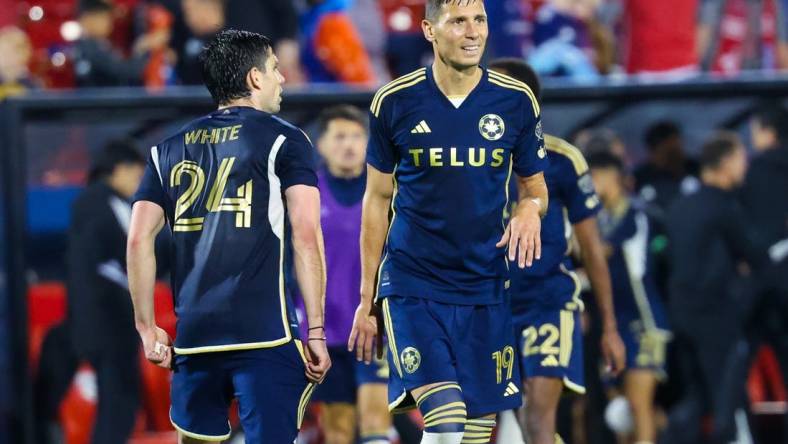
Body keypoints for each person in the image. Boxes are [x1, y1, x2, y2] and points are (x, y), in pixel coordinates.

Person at [348, 1, 550, 443]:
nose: (473, 31)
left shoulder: (515, 100)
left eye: (479, 20)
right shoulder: (394, 101)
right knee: (446, 418)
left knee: (477, 431)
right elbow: (376, 200)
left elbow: (535, 188)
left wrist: (529, 210)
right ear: (429, 30)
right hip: (413, 285)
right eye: (458, 21)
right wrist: (368, 301)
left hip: (485, 285)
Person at [127, 29, 331, 443]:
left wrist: (147, 327)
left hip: (196, 337)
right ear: (255, 78)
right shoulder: (285, 140)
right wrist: (315, 331)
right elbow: (306, 234)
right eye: (275, 69)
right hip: (266, 334)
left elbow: (137, 240)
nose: (283, 79)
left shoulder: (167, 149)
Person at [488, 58, 625, 444]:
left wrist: (609, 327)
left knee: (537, 417)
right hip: (494, 304)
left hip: (549, 301)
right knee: (516, 418)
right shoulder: (472, 161)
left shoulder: (563, 160)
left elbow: (593, 250)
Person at [33, 140, 146, 444]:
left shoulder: (92, 203)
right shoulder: (104, 203)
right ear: (119, 170)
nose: (139, 184)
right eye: (137, 175)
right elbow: (124, 256)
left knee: (117, 404)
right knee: (119, 404)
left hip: (89, 322)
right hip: (105, 325)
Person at [662, 133, 769, 444]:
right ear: (725, 163)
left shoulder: (680, 206)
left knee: (697, 395)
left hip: (680, 313)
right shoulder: (724, 206)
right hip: (716, 316)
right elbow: (755, 256)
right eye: (740, 160)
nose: (744, 168)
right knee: (726, 399)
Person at [307, 105, 391, 444]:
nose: (349, 145)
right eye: (339, 137)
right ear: (322, 145)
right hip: (324, 329)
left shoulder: (388, 191)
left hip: (376, 325)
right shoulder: (305, 194)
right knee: (339, 430)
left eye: (357, 136)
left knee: (375, 421)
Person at [588, 151, 670, 444]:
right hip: (613, 324)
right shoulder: (602, 218)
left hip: (642, 321)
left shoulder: (636, 214)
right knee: (619, 410)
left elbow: (600, 254)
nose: (590, 186)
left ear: (612, 177)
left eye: (593, 178)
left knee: (639, 404)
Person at [73, 0, 169, 87]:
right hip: (98, 105)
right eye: (102, 17)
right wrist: (144, 48)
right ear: (85, 20)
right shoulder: (90, 48)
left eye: (108, 17)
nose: (109, 22)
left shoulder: (100, 44)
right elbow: (126, 72)